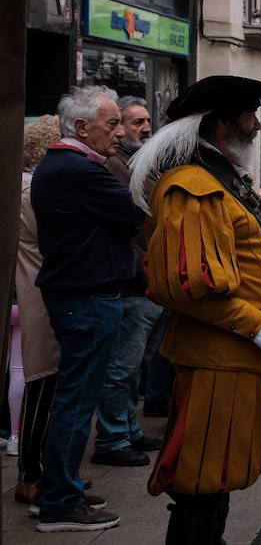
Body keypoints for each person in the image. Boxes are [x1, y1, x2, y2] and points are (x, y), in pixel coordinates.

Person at [131, 75, 261, 543]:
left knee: (217, 476)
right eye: (248, 116)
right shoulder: (192, 187)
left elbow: (232, 258)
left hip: (233, 357)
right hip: (217, 360)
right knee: (202, 479)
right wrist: (257, 322)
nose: (257, 125)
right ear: (221, 125)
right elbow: (188, 284)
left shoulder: (215, 178)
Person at [30, 85, 147, 531]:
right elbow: (135, 211)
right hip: (87, 297)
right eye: (112, 123)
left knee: (74, 400)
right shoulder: (77, 169)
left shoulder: (67, 166)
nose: (118, 133)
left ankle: (61, 488)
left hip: (83, 295)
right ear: (82, 128)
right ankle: (60, 501)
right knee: (77, 403)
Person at [85, 95, 164, 468]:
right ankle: (113, 438)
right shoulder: (114, 166)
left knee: (133, 368)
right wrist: (144, 267)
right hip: (133, 284)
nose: (145, 128)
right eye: (135, 123)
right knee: (121, 367)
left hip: (145, 282)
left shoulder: (138, 163)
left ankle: (128, 429)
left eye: (147, 121)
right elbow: (125, 228)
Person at [13, 116, 63, 513]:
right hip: (40, 297)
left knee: (41, 385)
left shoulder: (28, 187)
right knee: (41, 385)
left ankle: (40, 472)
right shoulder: (32, 190)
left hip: (37, 294)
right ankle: (31, 476)